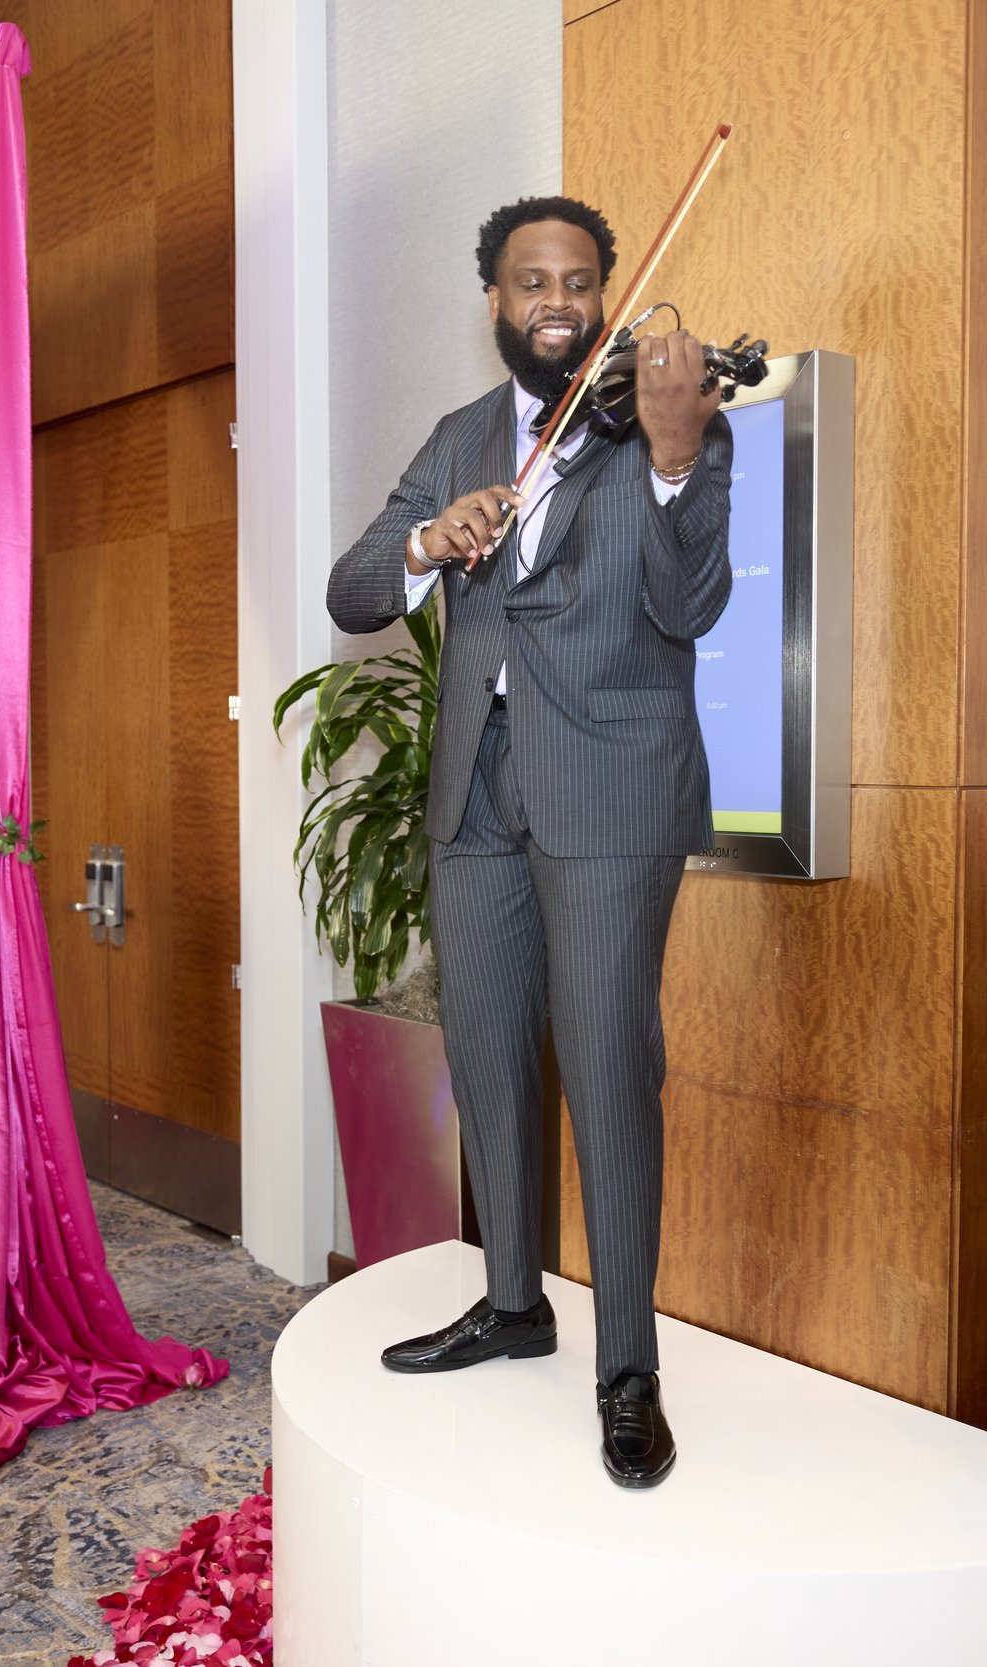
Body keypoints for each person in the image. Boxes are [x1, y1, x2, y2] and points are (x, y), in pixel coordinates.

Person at [326, 195, 733, 1487]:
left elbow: (693, 603)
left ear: (607, 294)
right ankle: (512, 1301)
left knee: (608, 1063)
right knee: (491, 1052)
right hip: (474, 796)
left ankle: (628, 1367)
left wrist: (672, 460)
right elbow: (350, 589)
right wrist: (423, 542)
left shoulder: (664, 417)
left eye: (577, 280)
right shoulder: (459, 438)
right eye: (528, 281)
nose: (554, 300)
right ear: (495, 301)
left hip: (611, 789)